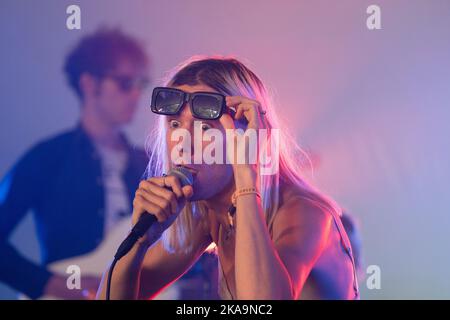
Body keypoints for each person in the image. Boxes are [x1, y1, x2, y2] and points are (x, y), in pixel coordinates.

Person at [97, 56, 359, 300]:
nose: (183, 144)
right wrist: (139, 241)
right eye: (175, 125)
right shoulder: (210, 214)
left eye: (204, 128)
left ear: (247, 136)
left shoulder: (305, 212)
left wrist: (246, 178)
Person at [0, 28, 150, 299]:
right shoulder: (47, 157)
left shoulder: (148, 163)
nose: (137, 95)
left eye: (142, 84)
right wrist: (47, 284)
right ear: (89, 84)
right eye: (126, 83)